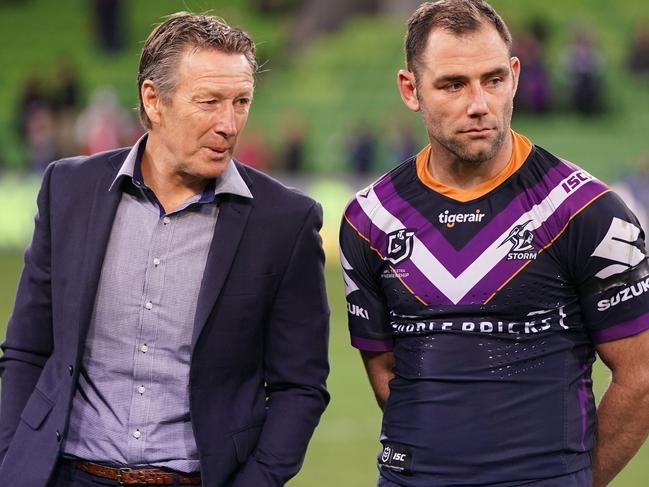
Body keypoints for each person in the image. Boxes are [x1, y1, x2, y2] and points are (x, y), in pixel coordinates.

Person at [0, 12, 329, 487]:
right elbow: (28, 348)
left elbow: (300, 386)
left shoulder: (285, 221)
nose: (229, 124)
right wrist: (13, 464)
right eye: (209, 102)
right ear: (153, 101)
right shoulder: (68, 190)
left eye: (241, 102)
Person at [339, 1, 649, 486]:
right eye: (453, 84)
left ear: (516, 76)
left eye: (493, 79)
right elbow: (385, 373)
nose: (479, 103)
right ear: (410, 89)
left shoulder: (586, 211)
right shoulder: (367, 218)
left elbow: (642, 376)